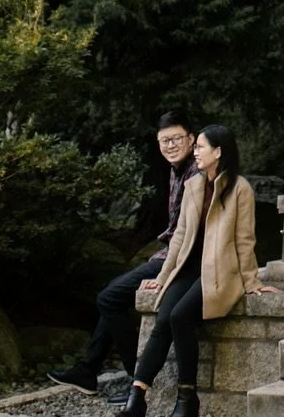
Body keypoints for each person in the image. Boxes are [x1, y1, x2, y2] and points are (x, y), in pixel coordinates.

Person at [116, 124, 270, 417]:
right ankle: (137, 396)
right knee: (163, 319)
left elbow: (244, 240)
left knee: (179, 317)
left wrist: (252, 281)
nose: (195, 152)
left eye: (200, 146)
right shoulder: (194, 185)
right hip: (188, 268)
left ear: (218, 151)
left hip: (220, 272)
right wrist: (163, 276)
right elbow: (179, 237)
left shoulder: (240, 188)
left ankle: (187, 398)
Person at [47, 111, 198, 393]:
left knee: (109, 298)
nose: (170, 146)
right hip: (169, 254)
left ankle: (135, 378)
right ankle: (88, 370)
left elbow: (188, 234)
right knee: (112, 295)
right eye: (164, 141)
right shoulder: (176, 171)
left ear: (191, 139)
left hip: (182, 260)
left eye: (176, 139)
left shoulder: (196, 175)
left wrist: (164, 272)